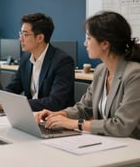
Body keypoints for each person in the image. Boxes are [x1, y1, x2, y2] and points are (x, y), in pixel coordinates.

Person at [35, 11, 140, 139]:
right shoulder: (101, 71)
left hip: (132, 147)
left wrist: (77, 124)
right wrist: (59, 114)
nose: (85, 43)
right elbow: (83, 108)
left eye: (89, 38)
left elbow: (122, 125)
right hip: (109, 142)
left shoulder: (134, 74)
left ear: (105, 44)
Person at [0, 13, 75, 111]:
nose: (20, 39)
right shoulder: (25, 58)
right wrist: (1, 97)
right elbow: (13, 87)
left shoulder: (62, 61)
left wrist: (18, 104)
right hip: (30, 115)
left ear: (40, 38)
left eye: (25, 35)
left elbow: (55, 102)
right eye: (21, 34)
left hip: (53, 118)